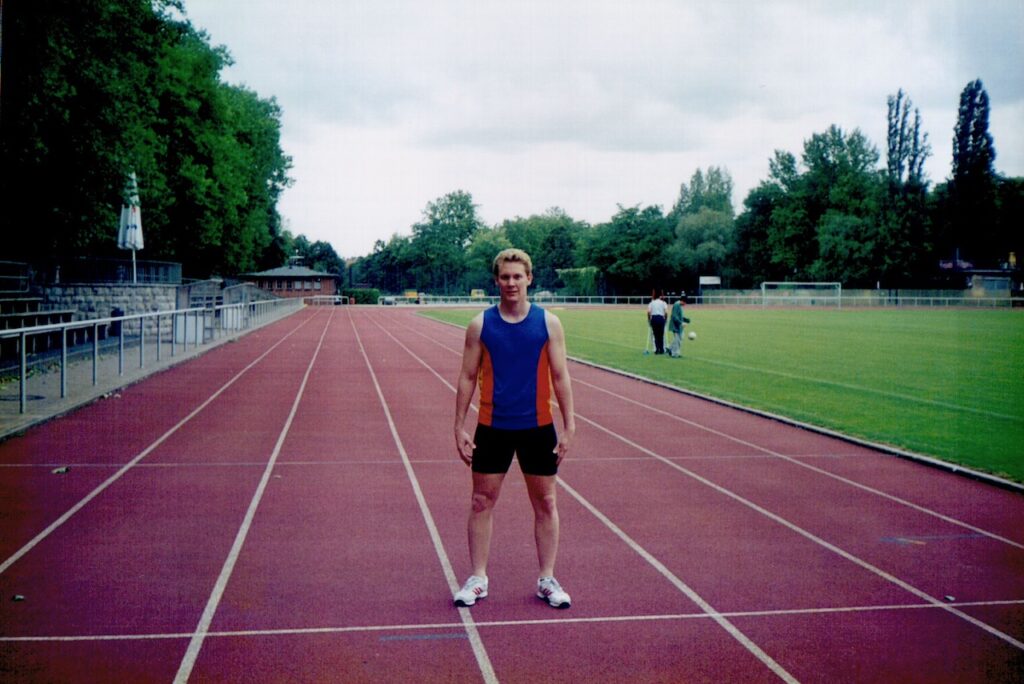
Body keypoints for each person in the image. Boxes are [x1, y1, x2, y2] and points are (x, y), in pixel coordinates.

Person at [453, 248, 576, 609]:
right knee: (480, 502)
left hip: (538, 427)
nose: (511, 283)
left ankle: (547, 579)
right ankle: (477, 578)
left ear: (529, 279)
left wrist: (569, 426)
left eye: (517, 276)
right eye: (505, 277)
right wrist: (459, 426)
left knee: (546, 503)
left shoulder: (548, 323)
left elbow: (560, 376)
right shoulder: (480, 325)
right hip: (492, 427)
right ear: (496, 280)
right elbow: (466, 378)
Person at [668, 293, 690, 358]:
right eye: (685, 303)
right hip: (675, 325)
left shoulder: (679, 305)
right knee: (677, 339)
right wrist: (681, 323)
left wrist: (685, 319)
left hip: (678, 325)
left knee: (679, 338)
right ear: (682, 301)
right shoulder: (677, 305)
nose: (685, 304)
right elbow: (674, 316)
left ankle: (670, 349)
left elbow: (680, 316)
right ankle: (674, 354)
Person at [647, 290, 668, 354]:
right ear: (660, 296)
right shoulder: (663, 303)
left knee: (655, 335)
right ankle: (661, 349)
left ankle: (657, 350)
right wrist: (665, 319)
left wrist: (649, 319)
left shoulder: (651, 303)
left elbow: (648, 312)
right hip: (661, 318)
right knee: (661, 335)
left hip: (654, 318)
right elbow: (666, 312)